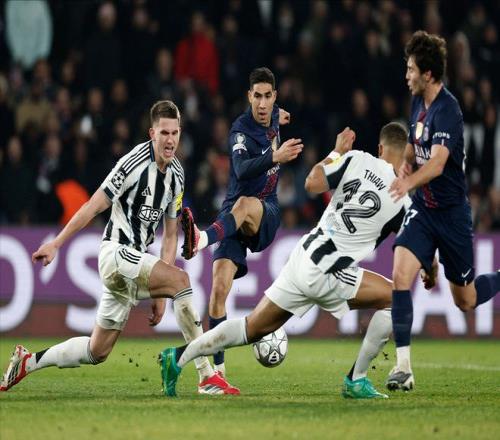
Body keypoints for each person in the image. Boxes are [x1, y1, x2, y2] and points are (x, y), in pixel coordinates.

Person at [0, 100, 238, 396]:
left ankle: (28, 361)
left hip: (134, 263)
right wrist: (57, 243)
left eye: (175, 133)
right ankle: (206, 376)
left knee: (97, 351)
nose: (170, 140)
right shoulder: (132, 164)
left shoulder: (177, 174)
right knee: (182, 281)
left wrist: (161, 295)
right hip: (115, 254)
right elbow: (93, 205)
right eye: (164, 133)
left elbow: (170, 235)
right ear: (152, 133)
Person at [159, 122, 414, 398]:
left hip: (303, 256)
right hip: (330, 269)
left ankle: (178, 357)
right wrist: (430, 268)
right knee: (395, 299)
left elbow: (312, 183)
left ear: (380, 148)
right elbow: (412, 243)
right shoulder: (402, 198)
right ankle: (357, 379)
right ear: (407, 156)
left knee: (250, 328)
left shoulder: (357, 159)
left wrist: (337, 152)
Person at [386, 31, 500, 391]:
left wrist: (407, 182)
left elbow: (436, 164)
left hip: (451, 216)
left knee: (465, 300)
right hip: (424, 209)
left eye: (411, 69)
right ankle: (403, 368)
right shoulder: (417, 102)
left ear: (428, 74)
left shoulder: (448, 110)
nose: (406, 75)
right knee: (399, 275)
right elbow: (413, 145)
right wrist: (405, 164)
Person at [179, 67, 302, 386]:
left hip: (265, 212)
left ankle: (201, 239)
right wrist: (275, 156)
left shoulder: (273, 114)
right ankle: (218, 375)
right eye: (256, 96)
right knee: (218, 291)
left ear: (274, 96)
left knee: (246, 204)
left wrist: (280, 118)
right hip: (233, 214)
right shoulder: (240, 131)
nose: (262, 103)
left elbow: (279, 115)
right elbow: (242, 168)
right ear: (249, 96)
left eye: (267, 96)